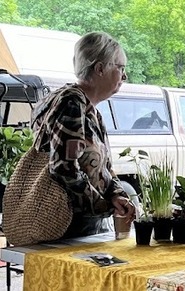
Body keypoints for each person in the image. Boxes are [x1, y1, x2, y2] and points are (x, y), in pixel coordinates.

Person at [31, 31, 135, 238]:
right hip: (67, 224)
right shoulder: (71, 103)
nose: (124, 76)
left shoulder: (88, 108)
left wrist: (115, 195)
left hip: (78, 222)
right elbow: (64, 168)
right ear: (100, 69)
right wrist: (103, 205)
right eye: (120, 68)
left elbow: (102, 168)